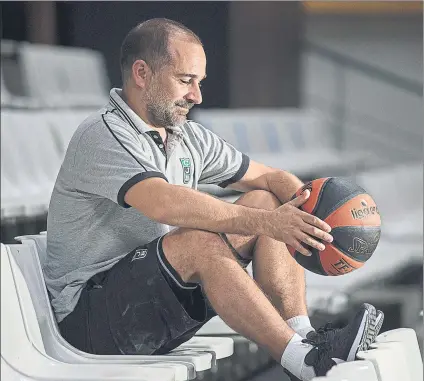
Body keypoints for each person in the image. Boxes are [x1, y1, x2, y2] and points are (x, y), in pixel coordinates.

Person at [45, 18, 384, 380]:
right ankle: (306, 364)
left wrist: (307, 207)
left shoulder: (187, 135)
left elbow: (269, 177)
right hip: (89, 322)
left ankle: (306, 339)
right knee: (201, 240)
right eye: (185, 80)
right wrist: (271, 223)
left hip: (151, 300)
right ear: (142, 73)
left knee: (266, 200)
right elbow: (163, 202)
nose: (197, 95)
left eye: (199, 82)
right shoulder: (101, 134)